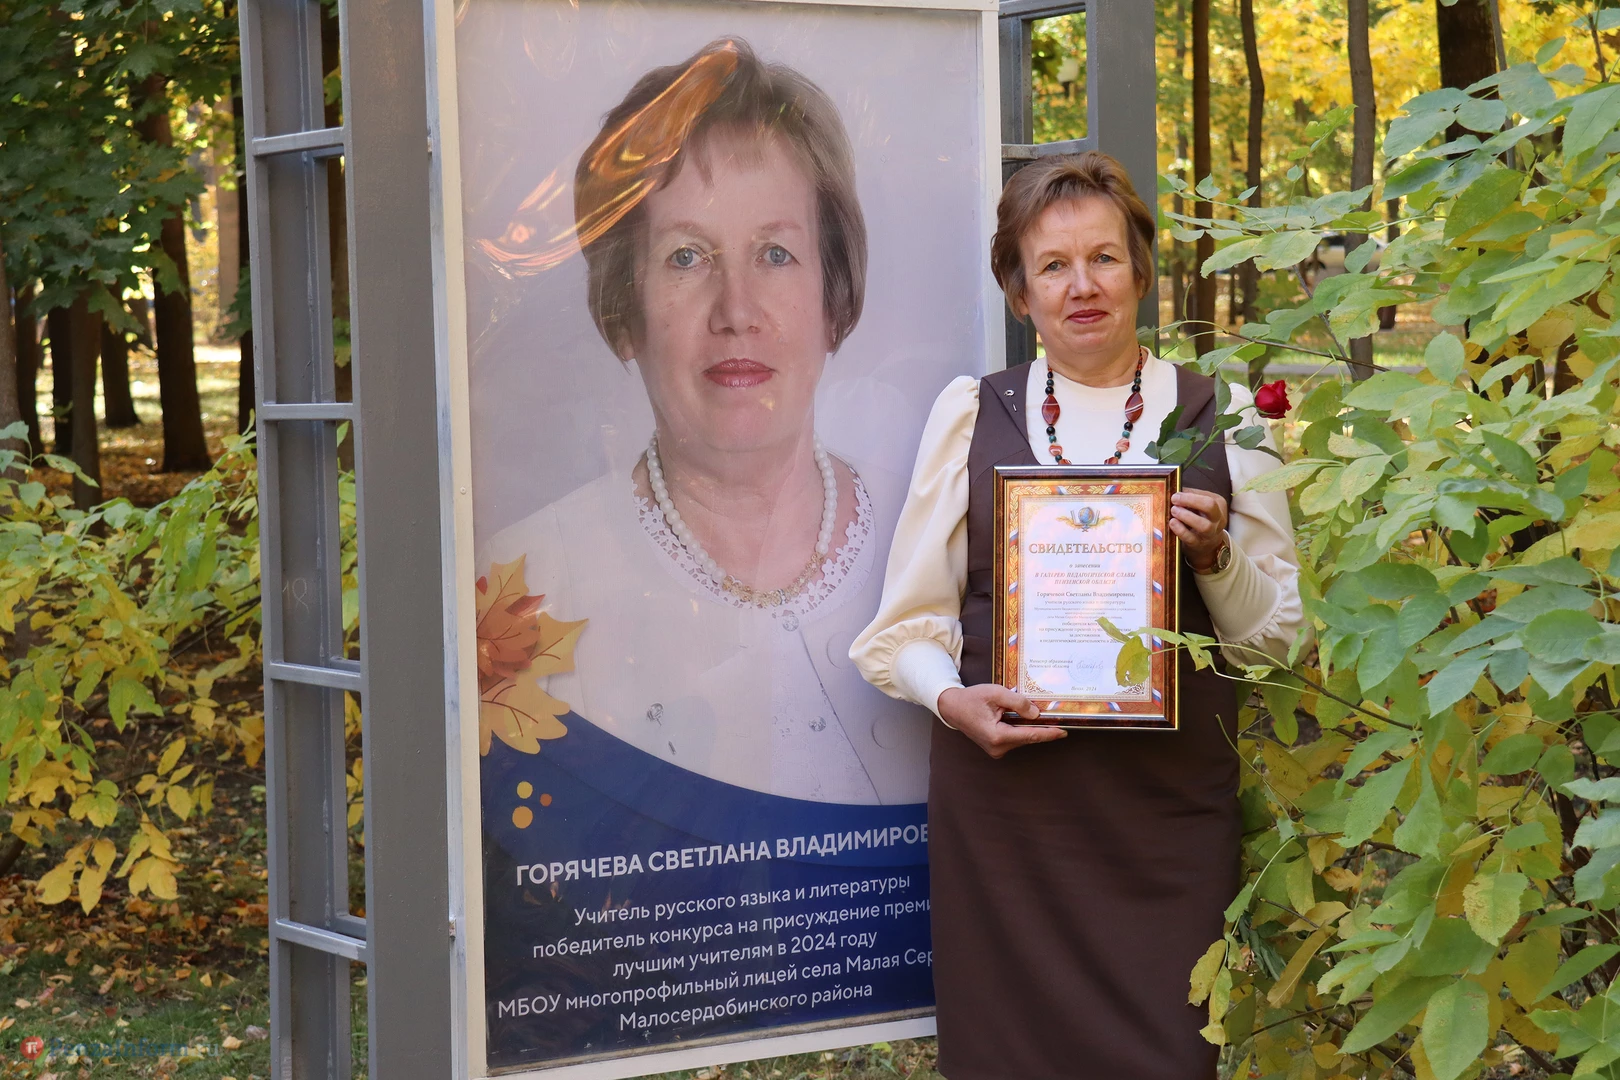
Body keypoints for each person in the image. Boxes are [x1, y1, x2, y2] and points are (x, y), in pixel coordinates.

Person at [850, 151, 1305, 1076]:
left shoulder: (1225, 418)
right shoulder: (971, 414)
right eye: (1052, 265)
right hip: (1008, 811)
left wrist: (1215, 559)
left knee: (1171, 1050)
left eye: (1103, 258)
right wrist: (951, 702)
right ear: (1021, 294)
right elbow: (907, 624)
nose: (1082, 286)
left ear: (1141, 271)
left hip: (1166, 814)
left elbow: (1276, 643)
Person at [485, 38, 930, 805]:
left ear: (833, 297)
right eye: (687, 257)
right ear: (625, 309)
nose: (737, 310)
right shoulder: (522, 592)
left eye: (776, 254)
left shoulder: (936, 544)